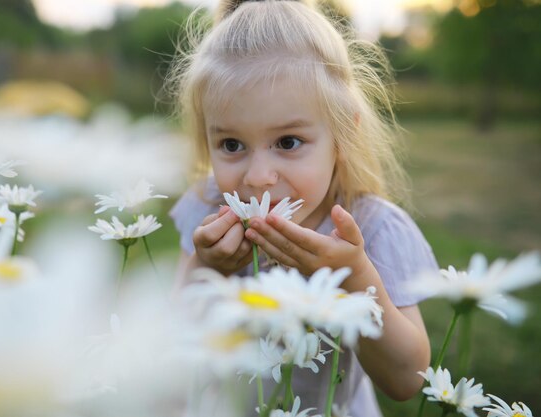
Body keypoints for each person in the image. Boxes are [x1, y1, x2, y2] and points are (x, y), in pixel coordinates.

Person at [167, 0, 437, 415]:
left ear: (343, 134)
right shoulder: (209, 209)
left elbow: (406, 380)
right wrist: (208, 267)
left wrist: (354, 277)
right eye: (232, 145)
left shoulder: (374, 231)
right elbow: (172, 332)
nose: (258, 177)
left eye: (288, 142)